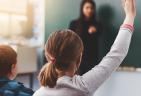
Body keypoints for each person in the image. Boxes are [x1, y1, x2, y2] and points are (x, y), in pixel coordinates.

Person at [34, 0, 136, 96]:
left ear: (48, 55)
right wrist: (130, 15)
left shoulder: (37, 94)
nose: (89, 10)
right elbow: (116, 55)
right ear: (79, 59)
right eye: (87, 7)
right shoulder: (82, 87)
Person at [69, 0, 101, 75]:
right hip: (77, 60)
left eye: (91, 8)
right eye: (87, 7)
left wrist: (95, 30)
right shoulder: (74, 24)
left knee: (91, 83)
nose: (89, 10)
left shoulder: (97, 24)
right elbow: (69, 40)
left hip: (92, 61)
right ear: (82, 9)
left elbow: (100, 32)